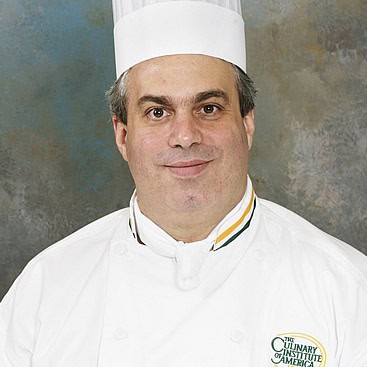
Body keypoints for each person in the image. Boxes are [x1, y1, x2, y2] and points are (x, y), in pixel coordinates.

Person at [1, 1, 366, 366]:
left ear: (247, 123)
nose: (185, 136)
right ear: (123, 136)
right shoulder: (45, 289)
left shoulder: (347, 289)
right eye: (157, 112)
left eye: (209, 107)